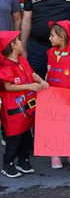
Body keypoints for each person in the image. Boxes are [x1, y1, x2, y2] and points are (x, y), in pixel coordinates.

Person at [0, 31, 48, 178]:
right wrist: (28, 86)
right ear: (13, 46)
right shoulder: (5, 66)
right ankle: (8, 164)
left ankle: (23, 160)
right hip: (13, 110)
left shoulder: (23, 60)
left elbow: (32, 74)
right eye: (19, 40)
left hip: (27, 108)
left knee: (27, 135)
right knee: (14, 139)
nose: (22, 42)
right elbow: (7, 87)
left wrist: (41, 81)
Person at [46, 20, 70, 169]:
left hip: (69, 96)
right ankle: (55, 154)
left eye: (52, 35)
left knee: (69, 125)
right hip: (52, 96)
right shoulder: (50, 52)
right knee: (54, 125)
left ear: (62, 36)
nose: (49, 38)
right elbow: (48, 71)